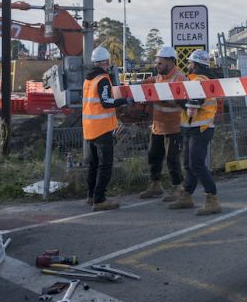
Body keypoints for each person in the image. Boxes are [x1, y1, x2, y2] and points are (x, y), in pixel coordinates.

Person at [168, 49, 221, 215]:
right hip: (192, 127)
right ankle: (186, 195)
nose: (188, 65)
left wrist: (179, 101)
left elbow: (194, 106)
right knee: (189, 164)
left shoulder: (200, 80)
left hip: (201, 128)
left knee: (196, 163)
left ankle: (212, 198)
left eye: (190, 63)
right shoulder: (194, 80)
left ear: (196, 64)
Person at [82, 45, 131, 211]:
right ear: (104, 62)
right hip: (102, 128)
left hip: (89, 128)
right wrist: (124, 100)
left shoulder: (88, 79)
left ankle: (91, 196)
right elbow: (106, 102)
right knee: (105, 165)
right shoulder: (102, 79)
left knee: (93, 164)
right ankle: (100, 199)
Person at [139, 46, 188, 201]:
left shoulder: (180, 78)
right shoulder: (159, 76)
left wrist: (159, 96)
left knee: (172, 158)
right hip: (158, 125)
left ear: (171, 61)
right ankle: (155, 185)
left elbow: (183, 102)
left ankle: (178, 187)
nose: (157, 65)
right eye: (157, 62)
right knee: (154, 155)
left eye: (161, 62)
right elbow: (151, 83)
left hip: (175, 126)